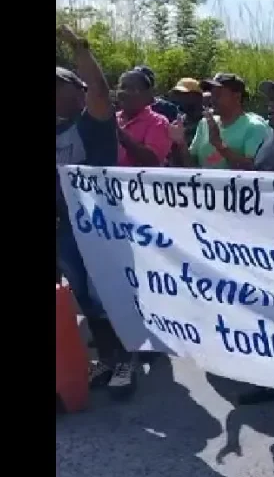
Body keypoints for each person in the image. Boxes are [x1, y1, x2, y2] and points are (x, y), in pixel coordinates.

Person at [56, 26, 137, 399]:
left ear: (77, 90)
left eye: (58, 85)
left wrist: (79, 47)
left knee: (105, 293)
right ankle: (106, 357)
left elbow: (102, 92)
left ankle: (125, 359)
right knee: (85, 299)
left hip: (100, 227)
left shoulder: (94, 124)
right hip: (65, 229)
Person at [171, 73, 272, 170]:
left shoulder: (254, 127)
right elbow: (191, 166)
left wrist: (220, 146)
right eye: (212, 94)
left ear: (237, 96)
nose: (213, 99)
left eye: (218, 94)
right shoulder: (205, 123)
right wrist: (181, 143)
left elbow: (254, 170)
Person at [114, 69, 172, 167]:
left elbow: (152, 161)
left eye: (132, 89)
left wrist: (119, 134)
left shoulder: (158, 122)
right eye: (122, 87)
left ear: (147, 95)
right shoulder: (113, 118)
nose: (125, 92)